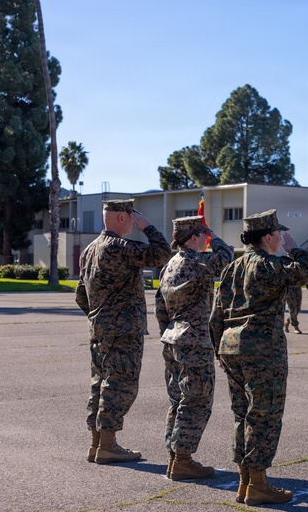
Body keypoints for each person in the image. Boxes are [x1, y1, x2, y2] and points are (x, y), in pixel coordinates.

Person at [209, 209, 308, 505]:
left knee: (242, 413)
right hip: (262, 349)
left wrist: (219, 346)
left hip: (232, 347)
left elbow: (217, 312)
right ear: (267, 237)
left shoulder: (232, 267)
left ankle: (244, 481)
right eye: (279, 234)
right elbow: (305, 272)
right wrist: (296, 250)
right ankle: (257, 484)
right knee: (264, 414)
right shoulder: (268, 264)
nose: (281, 238)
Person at [76, 199, 172, 464]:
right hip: (123, 330)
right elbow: (162, 253)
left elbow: (80, 296)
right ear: (121, 218)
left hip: (100, 330)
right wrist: (149, 227)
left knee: (100, 383)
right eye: (132, 217)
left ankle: (97, 444)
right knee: (120, 384)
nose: (135, 221)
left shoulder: (89, 250)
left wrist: (99, 318)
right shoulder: (121, 247)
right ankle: (107, 445)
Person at [155, 216, 233, 480]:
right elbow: (226, 259)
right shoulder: (197, 261)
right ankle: (184, 460)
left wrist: (168, 333)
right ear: (193, 238)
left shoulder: (170, 265)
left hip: (173, 339)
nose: (206, 239)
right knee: (196, 401)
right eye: (203, 235)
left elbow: (159, 307)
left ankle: (175, 457)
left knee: (179, 400)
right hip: (194, 341)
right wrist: (217, 238)